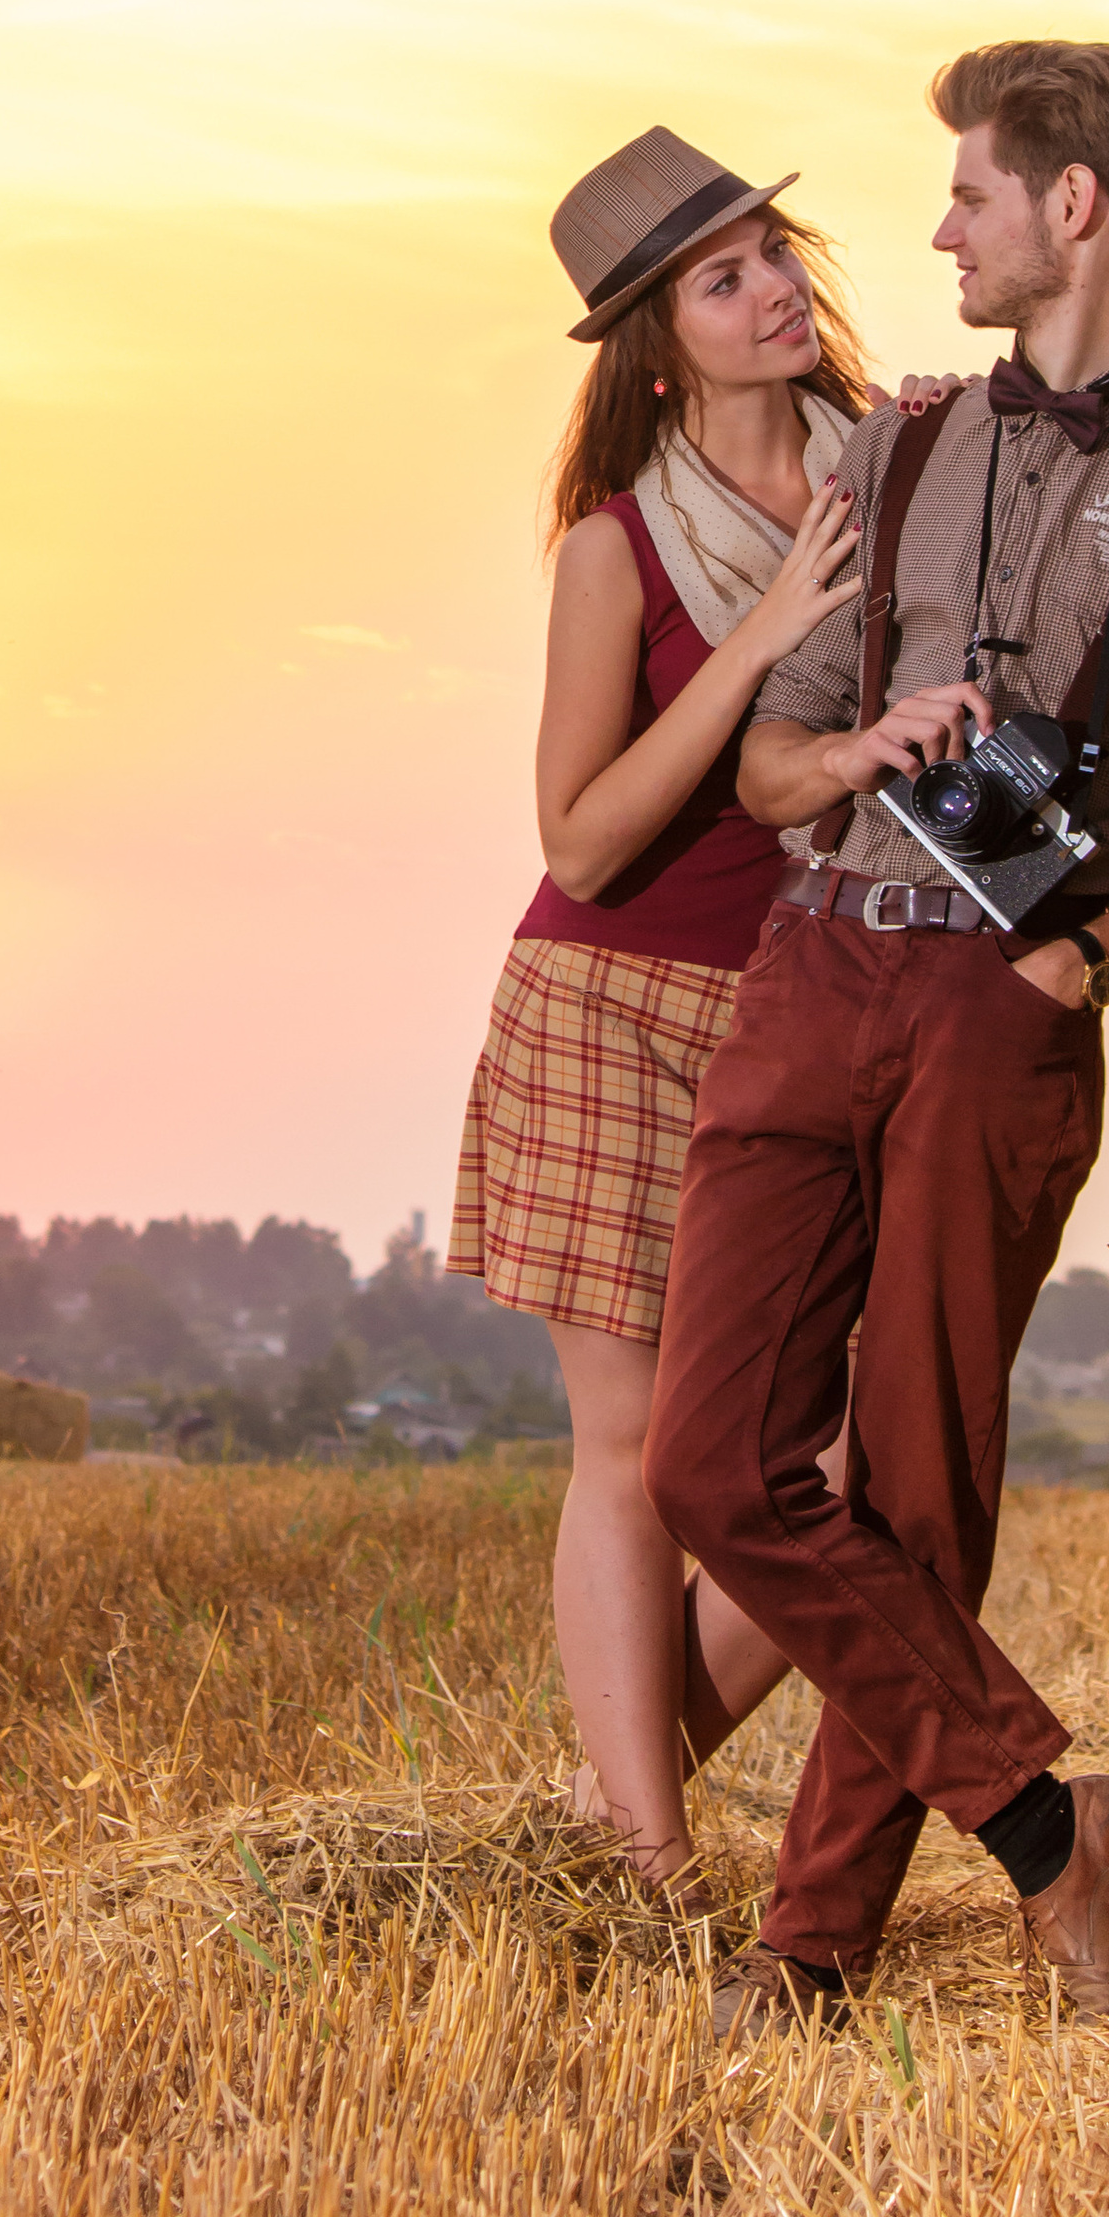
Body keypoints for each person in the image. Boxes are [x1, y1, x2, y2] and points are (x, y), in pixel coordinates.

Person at [643, 41, 1109, 2034]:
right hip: (815, 961)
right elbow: (760, 768)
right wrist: (855, 744)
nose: (935, 231)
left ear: (1070, 206)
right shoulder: (883, 453)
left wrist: (1085, 969)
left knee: (915, 1481)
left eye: (969, 194)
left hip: (1008, 999)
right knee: (709, 1462)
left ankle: (806, 1950)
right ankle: (1038, 1822)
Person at [446, 125, 874, 1905]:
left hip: (822, 1011)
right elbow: (582, 835)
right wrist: (768, 636)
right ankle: (649, 1866)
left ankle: (612, 1805)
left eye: (774, 250)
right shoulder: (618, 552)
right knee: (628, 1455)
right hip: (613, 1005)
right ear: (658, 336)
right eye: (723, 276)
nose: (772, 287)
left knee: (860, 1455)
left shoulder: (906, 474)